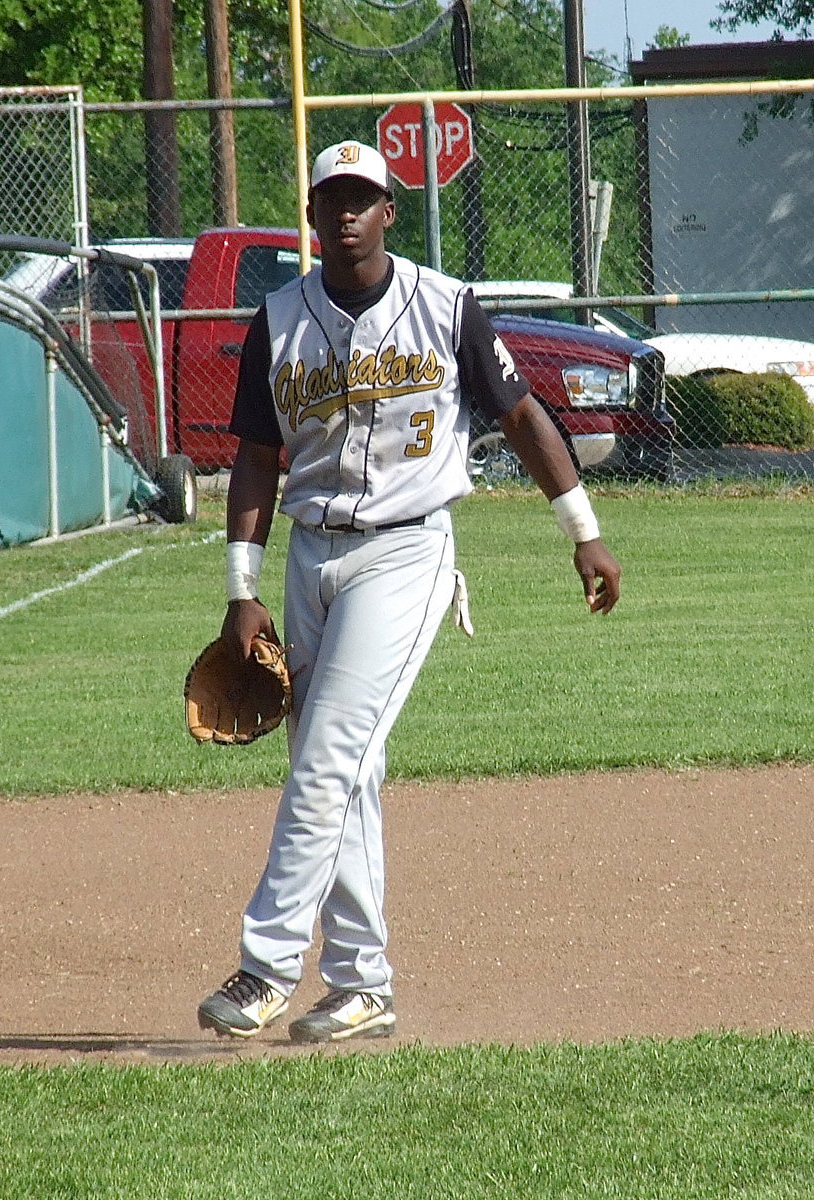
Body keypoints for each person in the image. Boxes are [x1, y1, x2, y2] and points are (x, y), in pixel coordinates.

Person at [197, 139, 620, 1044]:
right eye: (330, 198)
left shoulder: (445, 306)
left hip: (406, 554)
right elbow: (257, 458)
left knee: (325, 760)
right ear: (310, 216)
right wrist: (242, 588)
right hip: (309, 560)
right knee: (343, 770)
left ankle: (266, 968)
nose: (346, 211)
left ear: (390, 211)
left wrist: (582, 533)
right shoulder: (278, 319)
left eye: (363, 197)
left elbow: (519, 414)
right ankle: (360, 985)